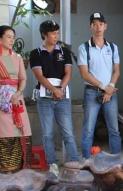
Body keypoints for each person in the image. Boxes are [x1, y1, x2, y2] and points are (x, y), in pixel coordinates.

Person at [29, 20, 80, 175]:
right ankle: (52, 164)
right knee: (47, 133)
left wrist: (60, 89)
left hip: (62, 98)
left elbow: (68, 73)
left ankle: (75, 162)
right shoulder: (35, 53)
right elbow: (39, 76)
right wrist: (54, 90)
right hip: (45, 99)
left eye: (57, 33)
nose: (56, 36)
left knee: (68, 133)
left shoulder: (64, 52)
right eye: (52, 33)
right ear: (44, 35)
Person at [0, 25, 31, 173]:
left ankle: (21, 168)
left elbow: (23, 79)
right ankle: (5, 169)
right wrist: (7, 94)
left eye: (13, 37)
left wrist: (18, 93)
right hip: (1, 100)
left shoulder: (17, 57)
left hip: (17, 99)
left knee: (20, 130)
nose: (12, 40)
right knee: (4, 131)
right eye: (8, 37)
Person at [78, 12, 121, 159]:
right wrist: (104, 87)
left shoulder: (113, 48)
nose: (98, 27)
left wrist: (110, 88)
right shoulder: (84, 48)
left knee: (114, 129)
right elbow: (85, 74)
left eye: (101, 24)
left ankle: (117, 163)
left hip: (110, 93)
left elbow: (116, 70)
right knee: (88, 130)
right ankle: (86, 163)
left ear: (105, 26)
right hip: (92, 92)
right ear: (90, 26)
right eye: (95, 24)